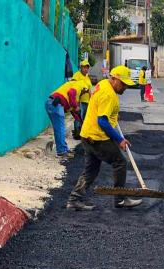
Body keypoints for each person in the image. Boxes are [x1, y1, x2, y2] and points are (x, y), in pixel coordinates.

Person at [66, 65, 143, 211]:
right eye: (123, 83)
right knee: (120, 161)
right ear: (114, 79)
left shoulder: (103, 84)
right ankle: (120, 199)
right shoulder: (108, 95)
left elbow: (102, 112)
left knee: (91, 170)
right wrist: (119, 139)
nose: (125, 87)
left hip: (87, 135)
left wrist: (113, 115)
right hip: (97, 137)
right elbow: (102, 121)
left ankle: (74, 200)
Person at [46, 79, 90, 159]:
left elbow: (74, 111)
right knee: (60, 129)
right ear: (85, 88)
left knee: (59, 129)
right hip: (56, 103)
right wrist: (76, 106)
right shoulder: (80, 85)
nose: (84, 94)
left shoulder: (74, 89)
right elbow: (71, 93)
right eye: (85, 92)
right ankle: (62, 151)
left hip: (52, 103)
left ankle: (63, 149)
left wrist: (81, 122)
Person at [72, 60, 94, 138]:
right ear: (81, 67)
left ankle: (82, 132)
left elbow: (90, 88)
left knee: (84, 118)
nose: (86, 69)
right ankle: (76, 133)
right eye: (84, 67)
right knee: (78, 116)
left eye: (87, 68)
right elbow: (73, 86)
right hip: (79, 100)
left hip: (87, 101)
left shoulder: (87, 77)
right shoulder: (77, 75)